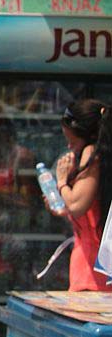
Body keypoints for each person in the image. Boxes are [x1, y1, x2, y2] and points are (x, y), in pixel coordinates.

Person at [53, 99, 112, 292]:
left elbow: (78, 205)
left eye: (71, 139)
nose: (69, 146)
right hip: (94, 267)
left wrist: (61, 182)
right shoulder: (103, 156)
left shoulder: (91, 153)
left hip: (92, 272)